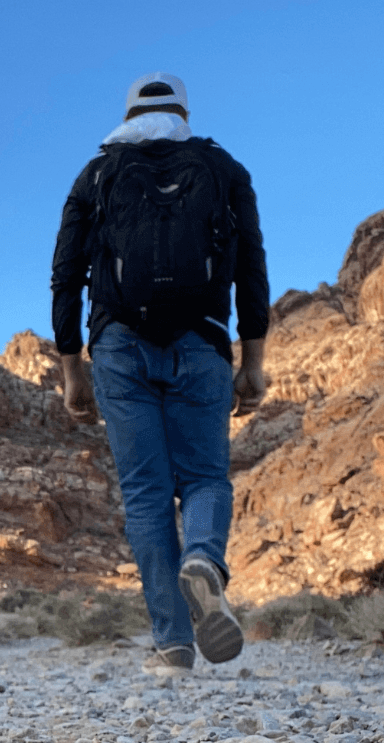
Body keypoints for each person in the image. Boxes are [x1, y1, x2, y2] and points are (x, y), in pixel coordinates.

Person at [51, 72, 269, 673]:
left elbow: (65, 275)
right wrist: (252, 363)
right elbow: (251, 267)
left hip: (119, 346)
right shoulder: (223, 169)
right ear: (185, 113)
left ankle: (172, 644)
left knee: (146, 493)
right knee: (205, 477)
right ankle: (202, 557)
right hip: (202, 340)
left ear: (126, 114)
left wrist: (72, 371)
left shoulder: (97, 173)